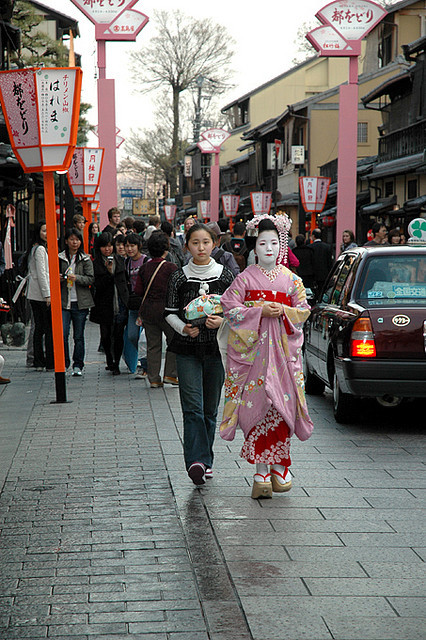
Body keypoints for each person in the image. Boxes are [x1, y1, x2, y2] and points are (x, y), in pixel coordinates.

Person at [219, 214, 314, 499]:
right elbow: (229, 307)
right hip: (255, 356)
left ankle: (279, 467)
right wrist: (259, 311)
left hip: (283, 356)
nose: (268, 248)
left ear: (281, 245)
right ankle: (261, 471)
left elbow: (304, 310)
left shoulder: (291, 280)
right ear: (253, 247)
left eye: (274, 242)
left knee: (282, 410)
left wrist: (283, 311)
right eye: (262, 243)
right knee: (256, 408)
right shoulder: (244, 278)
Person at [165, 223, 234, 485]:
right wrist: (183, 328)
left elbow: (236, 311)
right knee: (192, 407)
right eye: (195, 243)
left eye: (206, 242)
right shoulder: (178, 277)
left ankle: (206, 460)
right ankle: (196, 461)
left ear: (214, 244)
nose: (201, 247)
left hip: (216, 350)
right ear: (187, 246)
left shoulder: (226, 276)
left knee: (209, 409)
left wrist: (223, 321)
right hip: (186, 350)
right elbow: (169, 312)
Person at [134, 231, 178, 388]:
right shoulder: (171, 268)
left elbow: (138, 291)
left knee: (153, 345)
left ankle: (153, 378)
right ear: (166, 249)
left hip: (149, 311)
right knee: (174, 341)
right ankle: (170, 375)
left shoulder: (144, 268)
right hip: (167, 312)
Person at [91, 232, 129, 375]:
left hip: (119, 301)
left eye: (109, 246)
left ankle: (117, 363)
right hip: (103, 303)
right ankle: (109, 359)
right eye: (104, 247)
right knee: (106, 335)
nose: (107, 249)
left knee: (118, 334)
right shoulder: (96, 263)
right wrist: (108, 272)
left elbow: (125, 281)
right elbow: (98, 285)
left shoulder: (120, 260)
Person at [59, 228, 94, 376]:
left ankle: (78, 365)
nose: (74, 242)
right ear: (66, 241)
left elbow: (90, 279)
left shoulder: (85, 258)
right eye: (72, 239)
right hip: (64, 302)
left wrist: (76, 278)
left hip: (80, 302)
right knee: (63, 333)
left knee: (78, 336)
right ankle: (64, 363)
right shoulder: (59, 257)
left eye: (77, 239)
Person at [24, 220, 54, 371]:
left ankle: (39, 361)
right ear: (38, 232)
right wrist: (47, 294)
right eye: (44, 231)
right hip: (41, 295)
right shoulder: (40, 249)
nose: (47, 234)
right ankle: (45, 361)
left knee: (39, 328)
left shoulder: (35, 248)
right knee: (45, 328)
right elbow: (42, 274)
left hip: (35, 294)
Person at [123, 233, 148, 375]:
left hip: (145, 304)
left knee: (146, 337)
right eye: (127, 246)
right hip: (133, 304)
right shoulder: (127, 263)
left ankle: (144, 366)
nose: (129, 249)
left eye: (132, 246)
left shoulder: (146, 261)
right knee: (132, 335)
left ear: (139, 246)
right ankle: (142, 360)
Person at [310, 228, 334, 296]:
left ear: (313, 236)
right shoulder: (327, 247)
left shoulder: (310, 247)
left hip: (314, 275)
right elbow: (330, 262)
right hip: (325, 274)